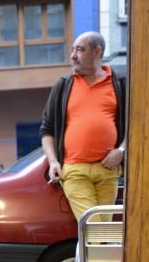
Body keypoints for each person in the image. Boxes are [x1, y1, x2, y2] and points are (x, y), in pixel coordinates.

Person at [40, 31, 126, 222]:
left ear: (97, 52)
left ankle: (92, 253)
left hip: (108, 170)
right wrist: (53, 161)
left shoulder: (119, 83)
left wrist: (121, 150)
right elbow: (47, 130)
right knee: (92, 228)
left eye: (79, 50)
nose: (73, 55)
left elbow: (135, 125)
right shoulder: (63, 85)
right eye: (73, 50)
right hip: (75, 170)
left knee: (101, 235)